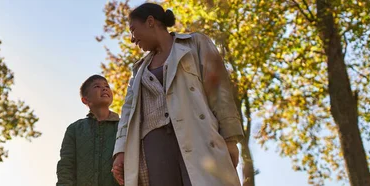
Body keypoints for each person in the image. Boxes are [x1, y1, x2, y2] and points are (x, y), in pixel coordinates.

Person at [111, 3, 244, 186]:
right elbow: (127, 113)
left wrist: (230, 138)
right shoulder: (138, 70)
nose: (132, 39)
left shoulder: (195, 43)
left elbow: (220, 90)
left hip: (198, 138)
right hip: (153, 148)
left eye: (133, 30)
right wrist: (120, 152)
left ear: (150, 22)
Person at [56, 75, 120, 186]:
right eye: (97, 86)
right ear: (85, 100)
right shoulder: (74, 129)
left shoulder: (124, 126)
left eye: (107, 86)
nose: (104, 88)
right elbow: (66, 166)